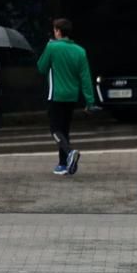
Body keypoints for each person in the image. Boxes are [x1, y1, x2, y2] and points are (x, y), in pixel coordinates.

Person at [36, 18, 96, 177]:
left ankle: (69, 153)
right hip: (71, 96)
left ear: (57, 31)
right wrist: (89, 101)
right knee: (64, 130)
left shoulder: (52, 47)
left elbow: (41, 67)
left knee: (55, 130)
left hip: (55, 95)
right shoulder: (80, 51)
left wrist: (48, 49)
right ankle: (63, 164)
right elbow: (85, 77)